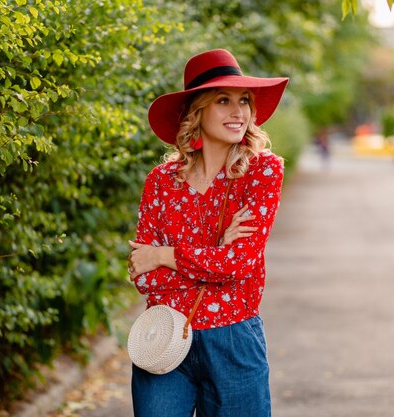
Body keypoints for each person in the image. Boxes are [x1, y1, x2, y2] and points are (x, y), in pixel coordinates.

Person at [127, 48, 288, 417]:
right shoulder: (161, 181)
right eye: (223, 100)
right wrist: (214, 252)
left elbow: (239, 264)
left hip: (233, 342)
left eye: (244, 101)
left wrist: (165, 255)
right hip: (163, 337)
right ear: (196, 112)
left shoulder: (262, 171)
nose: (239, 112)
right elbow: (144, 277)